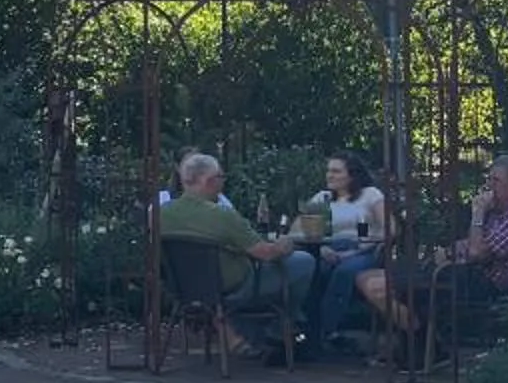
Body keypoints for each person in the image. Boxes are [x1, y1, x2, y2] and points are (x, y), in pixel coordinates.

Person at [363, 155, 508, 350]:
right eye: (488, 179)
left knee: (377, 286)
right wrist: (450, 252)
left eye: (496, 180)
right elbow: (471, 243)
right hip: (460, 271)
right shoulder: (500, 213)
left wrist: (477, 213)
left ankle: (422, 342)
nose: (489, 186)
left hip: (479, 283)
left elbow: (477, 252)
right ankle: (420, 339)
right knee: (367, 277)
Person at [159, 151, 317, 362]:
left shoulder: (162, 214)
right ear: (209, 181)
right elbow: (265, 253)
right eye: (221, 177)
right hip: (234, 288)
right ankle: (284, 327)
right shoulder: (222, 216)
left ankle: (266, 330)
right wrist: (285, 245)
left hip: (183, 289)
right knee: (303, 261)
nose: (223, 183)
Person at [306, 150, 389, 347]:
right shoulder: (322, 198)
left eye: (336, 171)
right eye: (328, 171)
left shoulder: (370, 195)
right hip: (328, 248)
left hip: (363, 248)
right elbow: (301, 228)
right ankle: (307, 329)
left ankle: (325, 332)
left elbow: (390, 228)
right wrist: (323, 249)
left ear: (352, 175)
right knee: (310, 270)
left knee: (344, 272)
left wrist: (359, 248)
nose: (329, 176)